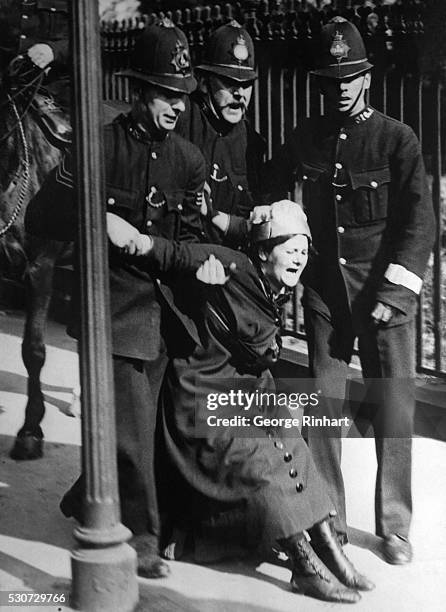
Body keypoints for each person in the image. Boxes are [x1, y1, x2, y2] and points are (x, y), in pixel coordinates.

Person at [105, 200, 374, 603]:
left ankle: (330, 553)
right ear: (265, 251)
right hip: (202, 396)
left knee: (295, 446)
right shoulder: (230, 264)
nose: (300, 257)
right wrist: (138, 241)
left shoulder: (275, 287)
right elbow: (175, 253)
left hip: (244, 393)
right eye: (291, 247)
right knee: (263, 463)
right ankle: (303, 564)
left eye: (304, 249)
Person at [25, 20, 206, 579]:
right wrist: (97, 217)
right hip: (115, 310)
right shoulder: (98, 147)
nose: (175, 106)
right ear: (139, 91)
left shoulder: (188, 159)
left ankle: (86, 496)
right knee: (129, 427)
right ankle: (142, 536)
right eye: (164, 94)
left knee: (156, 425)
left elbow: (193, 242)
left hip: (168, 313)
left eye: (181, 96)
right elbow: (40, 215)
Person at [262, 17, 436, 564]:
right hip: (325, 295)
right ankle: (328, 517)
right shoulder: (306, 136)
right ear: (321, 82)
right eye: (332, 79)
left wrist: (397, 290)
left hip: (384, 296)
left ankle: (396, 526)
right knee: (323, 407)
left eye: (350, 77)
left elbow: (420, 223)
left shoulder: (396, 138)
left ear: (366, 77)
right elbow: (269, 186)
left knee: (394, 410)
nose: (341, 87)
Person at [176, 20, 266, 245]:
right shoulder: (181, 122)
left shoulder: (252, 143)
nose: (239, 93)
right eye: (228, 82)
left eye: (246, 84)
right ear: (204, 83)